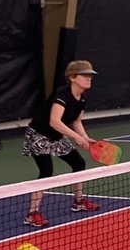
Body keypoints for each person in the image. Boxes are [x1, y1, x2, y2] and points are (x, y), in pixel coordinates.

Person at [20, 60, 101, 227]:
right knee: (46, 171)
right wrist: (75, 138)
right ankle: (32, 213)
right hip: (38, 135)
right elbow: (54, 121)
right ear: (72, 77)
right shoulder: (61, 94)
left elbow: (76, 121)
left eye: (90, 75)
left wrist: (84, 137)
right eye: (84, 75)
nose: (89, 78)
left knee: (79, 163)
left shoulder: (82, 100)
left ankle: (78, 202)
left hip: (56, 137)